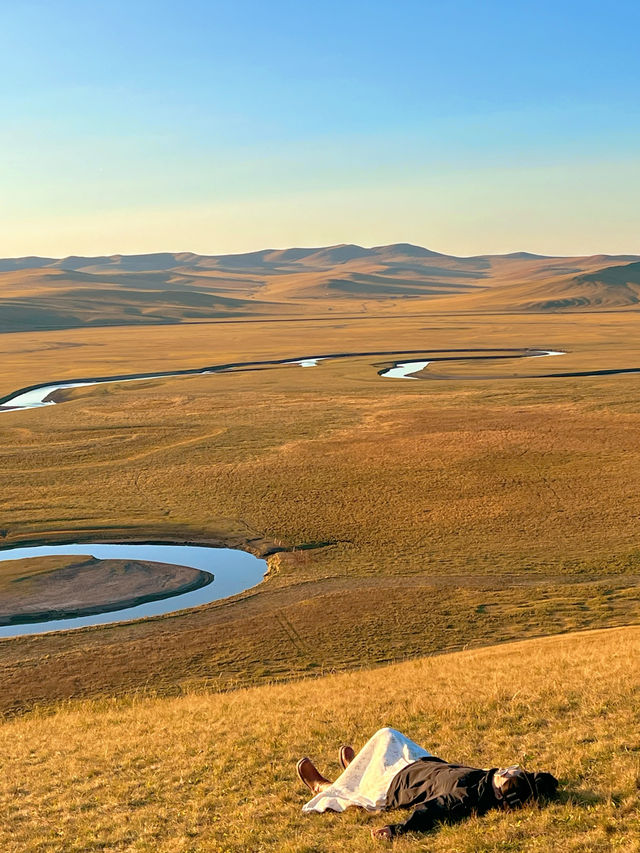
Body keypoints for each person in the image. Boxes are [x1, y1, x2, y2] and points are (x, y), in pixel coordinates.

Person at [296, 727, 558, 841]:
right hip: (421, 761)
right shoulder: (489, 781)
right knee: (388, 734)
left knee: (380, 745)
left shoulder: (467, 797)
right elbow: (546, 781)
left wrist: (397, 830)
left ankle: (325, 787)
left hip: (398, 783)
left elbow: (434, 811)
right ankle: (356, 768)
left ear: (504, 792)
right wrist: (540, 784)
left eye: (509, 775)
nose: (507, 769)